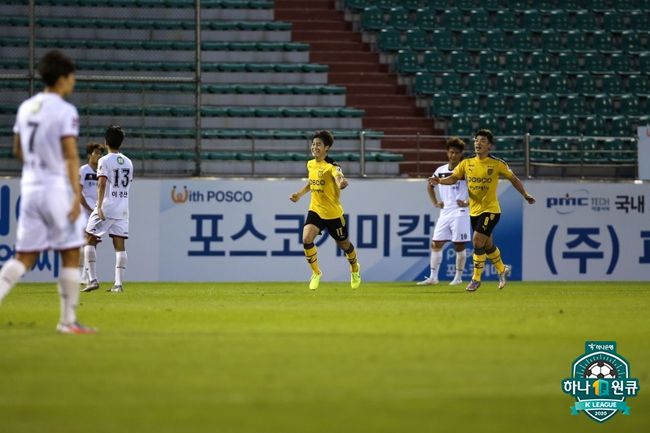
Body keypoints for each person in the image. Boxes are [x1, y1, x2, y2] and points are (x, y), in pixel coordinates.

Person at [0, 50, 95, 334]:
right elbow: (69, 155)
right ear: (63, 79)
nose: (73, 82)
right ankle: (67, 321)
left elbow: (18, 149)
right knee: (69, 252)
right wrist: (76, 196)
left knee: (24, 257)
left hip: (30, 187)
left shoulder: (27, 107)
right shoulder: (65, 111)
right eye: (72, 77)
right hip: (54, 188)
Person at [429, 129, 535, 292]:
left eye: (483, 141)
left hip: (491, 210)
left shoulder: (497, 164)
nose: (478, 143)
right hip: (475, 211)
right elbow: (453, 178)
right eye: (476, 140)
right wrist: (440, 181)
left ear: (490, 146)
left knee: (477, 240)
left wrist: (525, 194)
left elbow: (513, 179)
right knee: (487, 245)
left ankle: (475, 279)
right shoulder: (467, 163)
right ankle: (502, 269)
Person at [289, 130, 361, 290]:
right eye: (313, 144)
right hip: (315, 210)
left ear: (327, 147)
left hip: (333, 214)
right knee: (307, 238)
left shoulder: (332, 166)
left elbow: (338, 177)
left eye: (319, 144)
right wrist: (299, 194)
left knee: (344, 244)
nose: (315, 147)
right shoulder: (310, 164)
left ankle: (355, 268)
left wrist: (341, 182)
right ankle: (316, 273)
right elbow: (311, 182)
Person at [81, 125, 133, 293]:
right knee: (120, 245)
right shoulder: (128, 162)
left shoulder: (104, 161)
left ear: (106, 141)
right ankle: (118, 285)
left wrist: (100, 207)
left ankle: (93, 280)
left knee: (89, 239)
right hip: (123, 208)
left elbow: (102, 183)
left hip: (107, 206)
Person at [417, 136, 471, 286]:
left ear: (461, 154)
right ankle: (433, 277)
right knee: (435, 244)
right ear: (447, 153)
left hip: (460, 212)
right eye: (451, 152)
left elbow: (477, 191)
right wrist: (435, 202)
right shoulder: (440, 170)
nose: (453, 155)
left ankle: (458, 278)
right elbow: (430, 185)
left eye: (456, 153)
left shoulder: (465, 171)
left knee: (459, 245)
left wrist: (467, 202)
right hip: (445, 212)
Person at [78, 142, 105, 284]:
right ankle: (82, 273)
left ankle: (85, 275)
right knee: (84, 242)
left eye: (100, 153)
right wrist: (86, 207)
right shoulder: (83, 170)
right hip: (84, 211)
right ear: (89, 155)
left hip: (96, 210)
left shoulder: (102, 171)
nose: (98, 156)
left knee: (92, 243)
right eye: (96, 153)